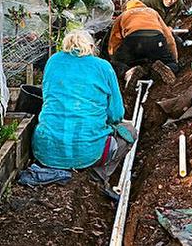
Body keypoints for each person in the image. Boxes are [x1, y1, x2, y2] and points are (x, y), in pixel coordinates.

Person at [32, 30, 136, 183]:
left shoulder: (53, 61)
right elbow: (116, 113)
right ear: (92, 47)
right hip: (90, 152)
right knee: (130, 132)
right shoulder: (103, 67)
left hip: (46, 151)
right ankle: (99, 176)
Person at [108, 0, 178, 86]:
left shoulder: (123, 15)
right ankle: (167, 68)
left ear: (126, 8)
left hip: (133, 40)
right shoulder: (152, 12)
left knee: (116, 64)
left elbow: (114, 40)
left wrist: (115, 59)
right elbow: (169, 38)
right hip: (156, 39)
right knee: (170, 63)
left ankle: (129, 72)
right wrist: (173, 60)